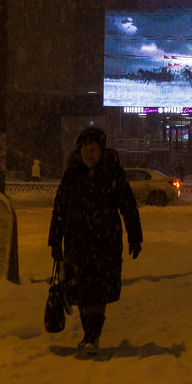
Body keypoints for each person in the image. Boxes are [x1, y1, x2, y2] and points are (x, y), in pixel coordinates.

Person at [47, 127, 142, 355]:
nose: (89, 154)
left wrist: (135, 237)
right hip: (76, 243)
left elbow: (128, 207)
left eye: (93, 149)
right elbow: (59, 209)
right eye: (85, 149)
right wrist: (55, 241)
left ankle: (91, 336)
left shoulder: (112, 174)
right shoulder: (72, 175)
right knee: (80, 290)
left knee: (98, 290)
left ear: (101, 151)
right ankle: (89, 334)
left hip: (105, 243)